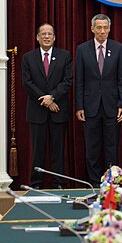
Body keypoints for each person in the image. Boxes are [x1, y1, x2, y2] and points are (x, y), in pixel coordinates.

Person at [75, 14, 122, 185]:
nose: (102, 31)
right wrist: (79, 105)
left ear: (110, 29)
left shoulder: (118, 48)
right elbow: (79, 80)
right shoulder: (82, 49)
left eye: (105, 28)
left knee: (111, 147)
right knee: (92, 148)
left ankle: (111, 184)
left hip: (112, 106)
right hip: (90, 107)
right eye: (99, 27)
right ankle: (95, 184)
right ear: (92, 29)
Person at [21, 23, 73, 189]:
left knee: (58, 150)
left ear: (54, 37)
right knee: (37, 150)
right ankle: (35, 183)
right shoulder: (28, 57)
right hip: (37, 112)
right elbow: (27, 83)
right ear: (37, 37)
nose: (46, 36)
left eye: (49, 33)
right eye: (43, 34)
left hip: (58, 110)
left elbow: (67, 81)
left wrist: (52, 97)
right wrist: (45, 100)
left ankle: (59, 183)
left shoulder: (64, 56)